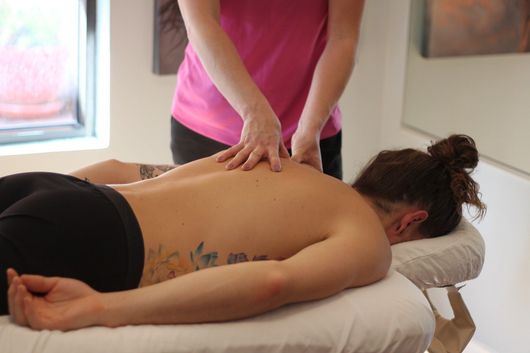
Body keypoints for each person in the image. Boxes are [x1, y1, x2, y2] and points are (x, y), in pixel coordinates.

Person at [1, 134, 485, 331]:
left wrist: (52, 203)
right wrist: (101, 308)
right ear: (411, 223)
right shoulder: (368, 241)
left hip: (63, 191)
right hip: (96, 236)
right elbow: (272, 283)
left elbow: (121, 167)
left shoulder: (278, 161)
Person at [166, 0, 366, 179]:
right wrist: (254, 112)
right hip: (209, 127)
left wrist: (309, 129)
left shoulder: (310, 132)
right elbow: (201, 23)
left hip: (311, 133)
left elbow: (343, 37)